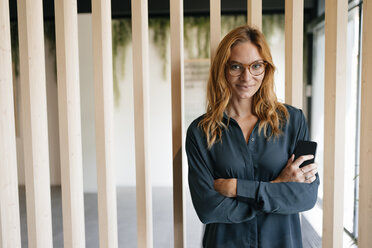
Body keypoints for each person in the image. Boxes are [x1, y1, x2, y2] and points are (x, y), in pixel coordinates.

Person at [185, 25, 319, 248]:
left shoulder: (293, 120)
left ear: (266, 69)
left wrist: (238, 188)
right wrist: (278, 186)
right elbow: (208, 209)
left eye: (256, 66)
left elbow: (305, 197)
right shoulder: (201, 131)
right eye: (236, 66)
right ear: (223, 69)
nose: (246, 77)